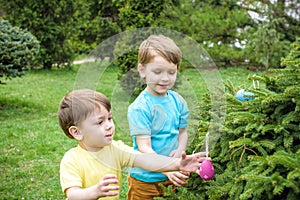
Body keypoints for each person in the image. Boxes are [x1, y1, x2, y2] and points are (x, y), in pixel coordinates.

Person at [58, 89, 207, 200]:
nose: (109, 125)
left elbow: (146, 159)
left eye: (109, 118)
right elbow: (73, 194)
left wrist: (177, 164)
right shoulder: (72, 160)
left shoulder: (116, 149)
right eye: (100, 122)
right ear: (76, 132)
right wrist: (95, 192)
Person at [127, 34, 191, 199]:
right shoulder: (140, 108)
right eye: (157, 71)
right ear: (142, 71)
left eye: (171, 72)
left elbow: (182, 132)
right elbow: (144, 147)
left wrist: (180, 151)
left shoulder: (178, 101)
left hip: (172, 176)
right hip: (145, 180)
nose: (165, 78)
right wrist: (167, 168)